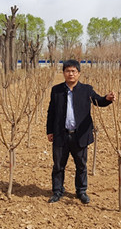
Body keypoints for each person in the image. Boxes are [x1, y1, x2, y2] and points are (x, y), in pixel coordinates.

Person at [46, 59, 116, 204]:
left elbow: (98, 101)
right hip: (61, 134)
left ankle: (81, 191)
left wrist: (107, 99)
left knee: (81, 165)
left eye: (73, 71)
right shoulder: (56, 90)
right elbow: (51, 111)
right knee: (58, 165)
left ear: (78, 73)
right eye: (67, 71)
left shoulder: (86, 90)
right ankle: (57, 191)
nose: (70, 74)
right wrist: (50, 130)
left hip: (80, 135)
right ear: (63, 73)